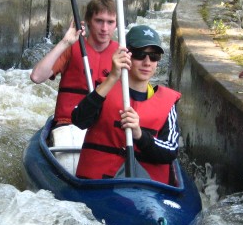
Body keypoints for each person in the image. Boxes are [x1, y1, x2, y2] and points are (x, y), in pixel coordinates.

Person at [72, 25, 181, 184]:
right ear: (126, 56)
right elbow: (79, 119)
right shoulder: (104, 89)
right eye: (139, 54)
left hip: (146, 191)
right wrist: (113, 77)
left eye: (154, 56)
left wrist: (139, 134)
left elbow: (171, 150)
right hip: (98, 187)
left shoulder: (167, 103)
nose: (147, 62)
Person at [30, 0, 118, 129]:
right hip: (69, 124)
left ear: (116, 23)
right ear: (88, 21)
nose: (104, 28)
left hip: (104, 128)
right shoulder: (72, 47)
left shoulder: (122, 54)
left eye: (110, 22)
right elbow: (37, 77)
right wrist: (65, 42)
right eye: (99, 21)